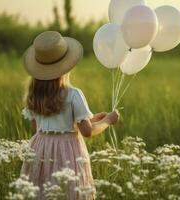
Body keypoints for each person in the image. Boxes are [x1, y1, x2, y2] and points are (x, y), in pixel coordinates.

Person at [20, 31, 119, 200]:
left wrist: (92, 119)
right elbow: (87, 132)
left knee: (43, 191)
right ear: (67, 66)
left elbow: (39, 128)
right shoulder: (73, 94)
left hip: (40, 148)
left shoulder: (34, 95)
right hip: (66, 152)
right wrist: (108, 120)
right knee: (68, 192)